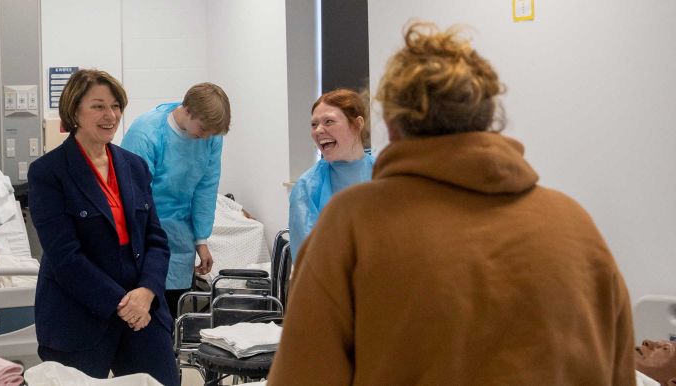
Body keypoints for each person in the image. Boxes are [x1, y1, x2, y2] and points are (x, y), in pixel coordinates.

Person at [268, 21, 634, 385]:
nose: (319, 131)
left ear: (390, 125)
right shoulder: (575, 225)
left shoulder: (351, 224)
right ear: (489, 116)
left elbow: (305, 373)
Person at [27, 69, 177, 385]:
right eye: (98, 106)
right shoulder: (48, 172)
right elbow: (64, 256)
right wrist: (122, 303)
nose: (110, 115)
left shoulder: (133, 166)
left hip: (142, 306)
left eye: (116, 106)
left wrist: (147, 292)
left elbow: (156, 238)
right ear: (74, 110)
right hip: (79, 311)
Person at [120, 82, 230, 320]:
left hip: (180, 235)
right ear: (187, 110)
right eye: (203, 129)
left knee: (172, 314)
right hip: (143, 231)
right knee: (143, 314)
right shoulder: (146, 133)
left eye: (212, 134)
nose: (206, 137)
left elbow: (206, 187)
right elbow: (133, 196)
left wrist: (201, 239)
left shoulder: (210, 137)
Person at [288, 88, 374, 260]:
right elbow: (309, 260)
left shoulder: (385, 172)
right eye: (314, 124)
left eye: (328, 122)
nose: (318, 130)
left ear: (357, 124)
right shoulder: (307, 188)